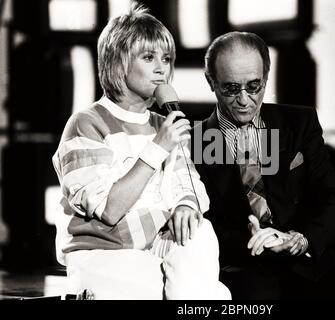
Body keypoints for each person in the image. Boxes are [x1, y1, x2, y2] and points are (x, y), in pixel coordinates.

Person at [51, 5, 230, 300]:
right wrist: (158, 148)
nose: (162, 68)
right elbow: (109, 208)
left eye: (166, 58)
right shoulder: (87, 123)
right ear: (118, 64)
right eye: (149, 57)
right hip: (105, 250)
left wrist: (186, 205)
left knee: (202, 235)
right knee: (194, 292)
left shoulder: (164, 125)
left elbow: (189, 184)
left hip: (156, 242)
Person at [191, 31, 335, 300]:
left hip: (305, 257)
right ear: (211, 81)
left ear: (266, 78)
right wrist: (255, 240)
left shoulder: (299, 123)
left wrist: (300, 240)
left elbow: (332, 196)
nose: (244, 100)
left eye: (254, 86)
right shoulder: (193, 142)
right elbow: (199, 225)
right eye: (231, 88)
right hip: (242, 267)